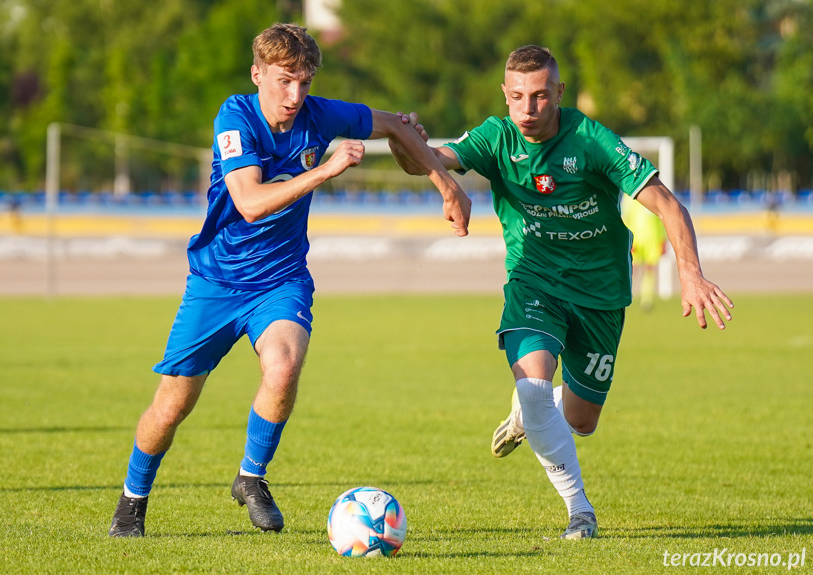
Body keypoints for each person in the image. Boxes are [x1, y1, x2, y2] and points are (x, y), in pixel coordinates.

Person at [108, 22, 471, 538]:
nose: (295, 95)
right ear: (258, 75)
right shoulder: (235, 117)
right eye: (284, 81)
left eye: (304, 82)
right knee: (171, 408)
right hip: (216, 283)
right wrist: (325, 170)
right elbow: (250, 204)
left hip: (281, 279)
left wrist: (446, 187)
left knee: (283, 367)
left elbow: (398, 125)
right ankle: (132, 499)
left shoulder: (320, 114)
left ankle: (251, 478)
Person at [389, 45, 733, 540]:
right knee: (532, 385)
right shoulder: (496, 136)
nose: (528, 109)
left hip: (601, 294)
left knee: (581, 419)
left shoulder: (591, 141)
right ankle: (580, 511)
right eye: (517, 97)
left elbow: (669, 206)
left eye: (540, 96)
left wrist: (691, 273)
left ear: (559, 93)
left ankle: (531, 411)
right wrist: (408, 140)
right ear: (505, 96)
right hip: (534, 284)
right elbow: (429, 161)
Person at [621, 194, 666, 311]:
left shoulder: (654, 193)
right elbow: (625, 217)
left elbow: (661, 218)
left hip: (653, 239)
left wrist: (662, 239)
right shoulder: (628, 195)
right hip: (635, 239)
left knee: (649, 269)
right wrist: (627, 239)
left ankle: (647, 300)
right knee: (631, 268)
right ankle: (626, 295)